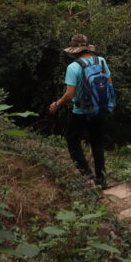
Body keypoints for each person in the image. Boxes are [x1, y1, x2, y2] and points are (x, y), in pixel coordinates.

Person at [49, 33, 111, 187]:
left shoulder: (73, 67)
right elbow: (109, 83)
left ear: (74, 50)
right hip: (100, 108)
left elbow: (69, 95)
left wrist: (57, 104)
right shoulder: (101, 61)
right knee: (97, 143)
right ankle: (101, 179)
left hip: (81, 111)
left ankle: (86, 173)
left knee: (72, 138)